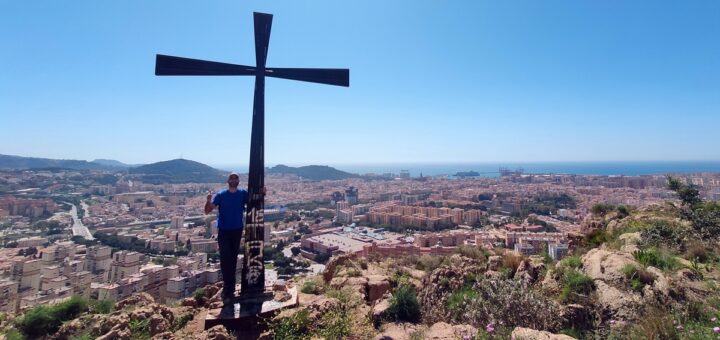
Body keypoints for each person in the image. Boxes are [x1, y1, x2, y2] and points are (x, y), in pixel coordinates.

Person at [204, 172, 249, 305]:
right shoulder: (221, 195)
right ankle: (228, 287)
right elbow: (207, 211)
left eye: (236, 178)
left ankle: (230, 288)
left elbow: (255, 200)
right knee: (225, 258)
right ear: (228, 180)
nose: (234, 180)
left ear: (238, 181)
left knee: (233, 258)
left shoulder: (243, 193)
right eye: (232, 178)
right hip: (223, 231)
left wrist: (263, 193)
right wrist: (208, 200)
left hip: (237, 230)